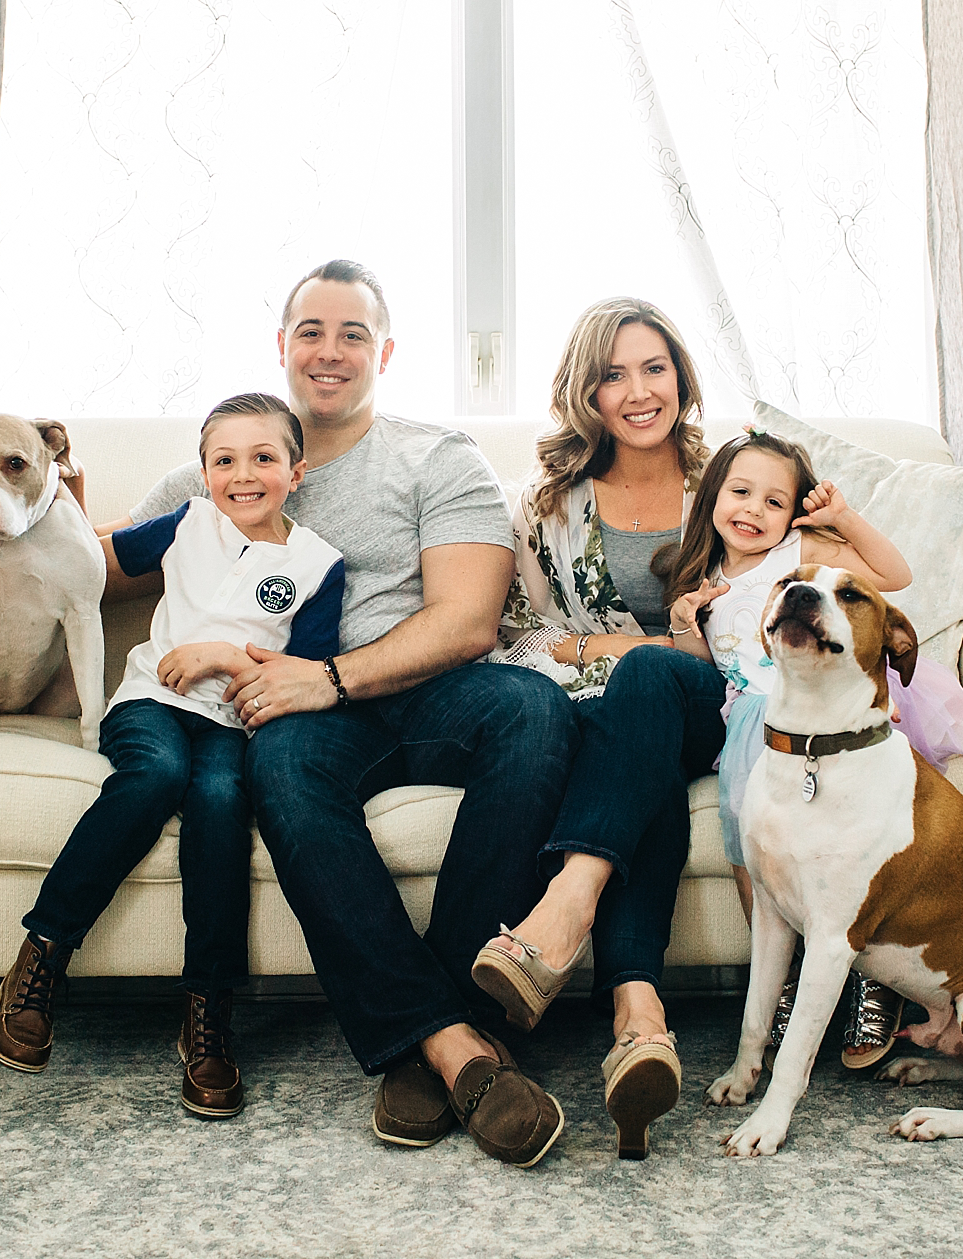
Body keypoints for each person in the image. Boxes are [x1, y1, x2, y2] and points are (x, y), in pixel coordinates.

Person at [119, 261, 577, 1168]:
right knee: (278, 766)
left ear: (385, 351)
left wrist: (325, 675)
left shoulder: (435, 456)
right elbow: (97, 564)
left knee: (531, 710)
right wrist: (19, 513)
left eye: (352, 334)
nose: (329, 351)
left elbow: (466, 620)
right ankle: (459, 1051)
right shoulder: (217, 465)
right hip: (303, 718)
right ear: (281, 346)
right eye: (311, 332)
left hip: (417, 688)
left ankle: (436, 1028)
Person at [0, 393, 345, 1124]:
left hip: (233, 722)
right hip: (150, 701)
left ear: (296, 472)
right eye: (223, 460)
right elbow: (92, 559)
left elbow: (307, 670)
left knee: (218, 800)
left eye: (263, 458)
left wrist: (223, 656)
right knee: (154, 775)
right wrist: (66, 487)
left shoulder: (319, 565)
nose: (242, 475)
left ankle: (208, 1015)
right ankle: (43, 955)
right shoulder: (187, 524)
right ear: (204, 473)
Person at [473, 296, 724, 1160]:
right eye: (612, 374)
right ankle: (637, 1017)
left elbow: (773, 603)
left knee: (654, 679)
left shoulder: (727, 481)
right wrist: (614, 647)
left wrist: (655, 652)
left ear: (681, 377)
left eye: (653, 366)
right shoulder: (545, 501)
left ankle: (564, 907)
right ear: (586, 392)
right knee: (636, 752)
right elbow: (512, 635)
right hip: (601, 713)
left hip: (715, 705)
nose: (637, 389)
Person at [660, 423, 963, 1071]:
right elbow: (705, 671)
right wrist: (685, 626)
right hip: (754, 715)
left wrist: (841, 519)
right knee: (753, 844)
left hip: (831, 701)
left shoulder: (803, 554)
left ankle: (875, 984)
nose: (753, 509)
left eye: (774, 501)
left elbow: (894, 573)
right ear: (712, 493)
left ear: (792, 514)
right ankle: (777, 987)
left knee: (869, 843)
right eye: (740, 491)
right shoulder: (700, 578)